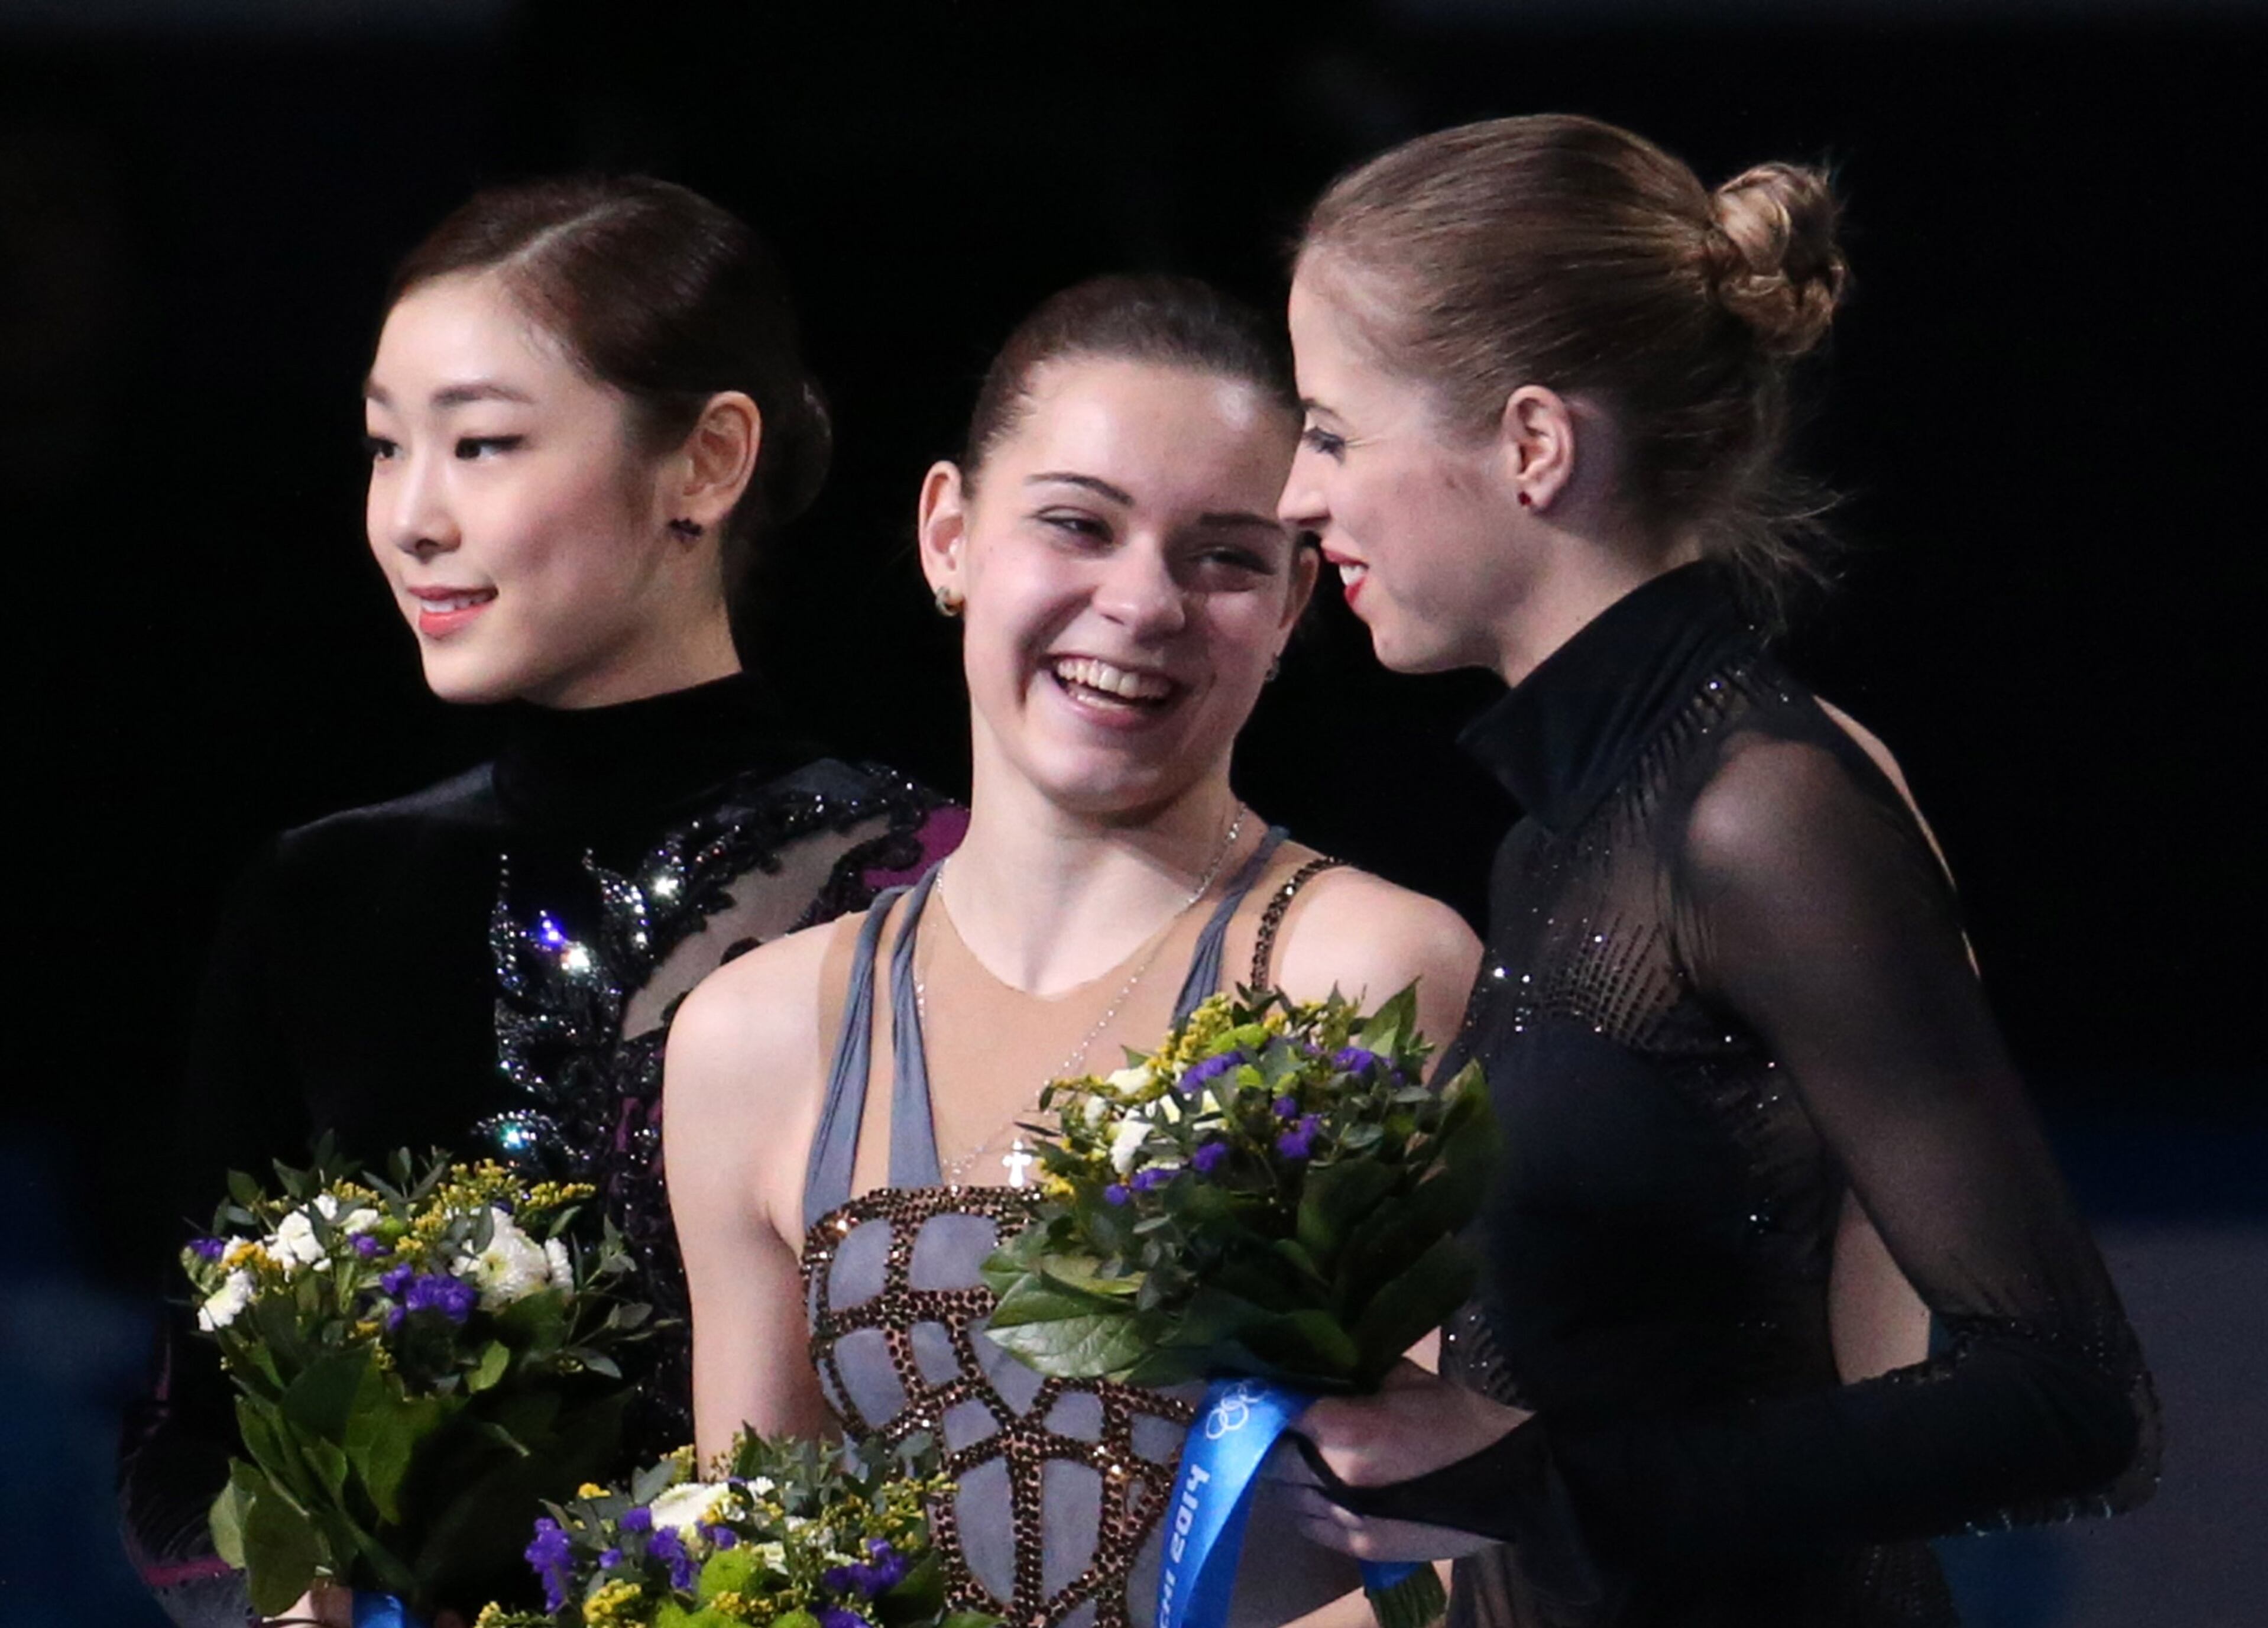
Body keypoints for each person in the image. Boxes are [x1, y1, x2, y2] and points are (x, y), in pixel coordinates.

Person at [1274, 114, 2157, 1627]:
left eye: (1334, 431)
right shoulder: (1556, 832)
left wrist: (1540, 1475)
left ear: (1533, 446)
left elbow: (2070, 1397)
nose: (1297, 495)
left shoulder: (1760, 812)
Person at [118, 176, 961, 1628]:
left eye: (486, 444)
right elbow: (184, 1441)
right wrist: (272, 1585)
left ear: (706, 462)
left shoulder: (916, 884)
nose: (414, 518)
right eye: (389, 447)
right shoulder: (322, 896)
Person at [665, 275, 1483, 1628]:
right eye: (1077, 525)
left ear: (1291, 605)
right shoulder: (754, 1038)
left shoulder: (1365, 973)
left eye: (1224, 556)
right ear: (949, 535)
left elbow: (1467, 1553)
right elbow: (754, 1571)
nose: (1143, 602)